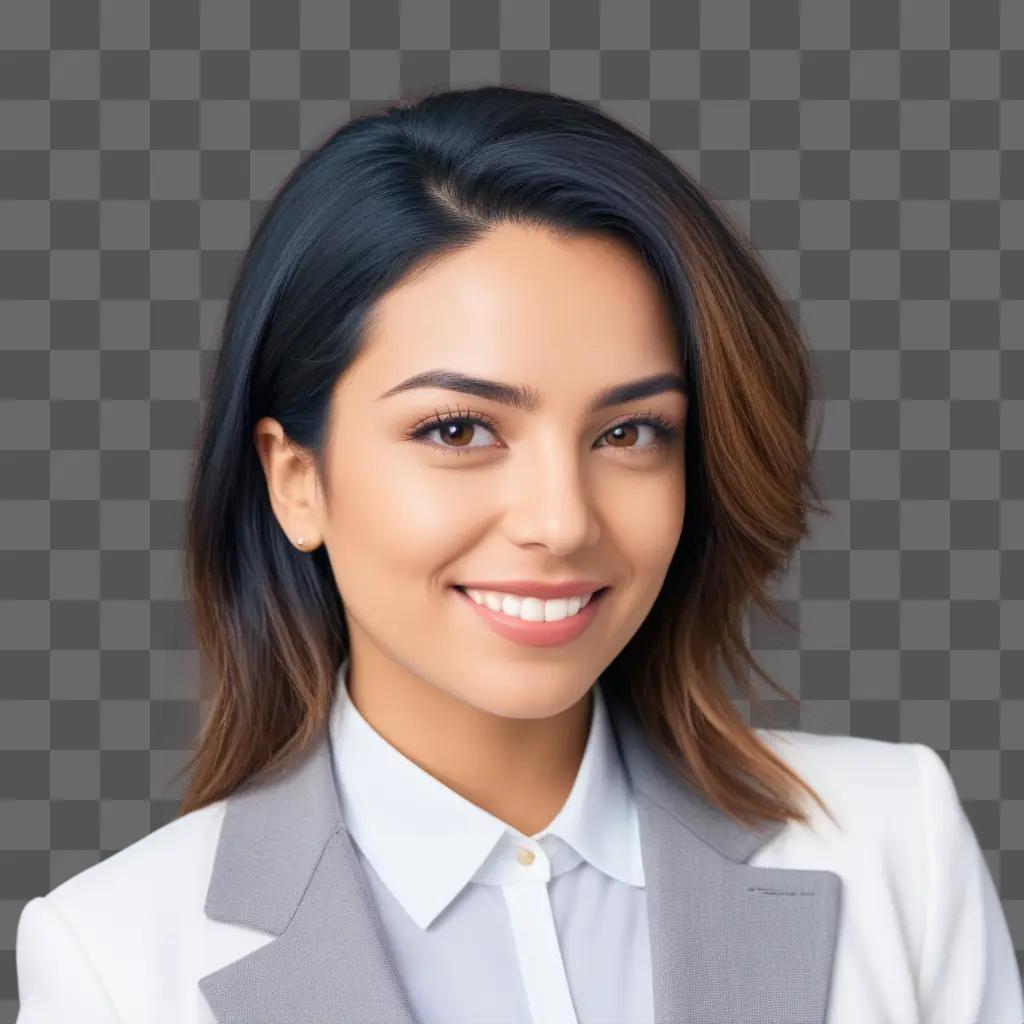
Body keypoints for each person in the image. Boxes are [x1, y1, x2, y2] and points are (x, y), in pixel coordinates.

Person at [14, 84, 1023, 1024]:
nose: (560, 520)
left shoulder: (895, 842)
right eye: (458, 430)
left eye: (628, 432)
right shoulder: (114, 958)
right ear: (296, 480)